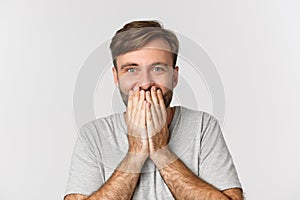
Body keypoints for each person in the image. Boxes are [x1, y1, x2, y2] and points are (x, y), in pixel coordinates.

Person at [64, 20, 243, 200]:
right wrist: (135, 153)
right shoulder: (94, 135)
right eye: (132, 70)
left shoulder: (202, 126)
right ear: (116, 77)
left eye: (158, 69)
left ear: (174, 77)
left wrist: (161, 151)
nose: (145, 83)